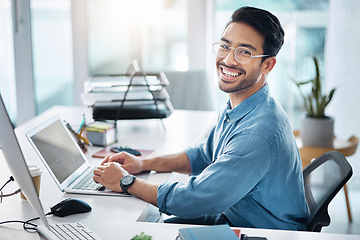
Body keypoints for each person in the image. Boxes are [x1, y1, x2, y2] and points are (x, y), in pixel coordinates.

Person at [93, 6, 310, 230]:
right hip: (233, 218)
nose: (228, 60)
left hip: (262, 232)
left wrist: (126, 182)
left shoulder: (257, 132)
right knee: (143, 228)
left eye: (244, 52)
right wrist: (142, 163)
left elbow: (196, 199)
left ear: (267, 65)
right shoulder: (242, 105)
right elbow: (204, 155)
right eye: (225, 46)